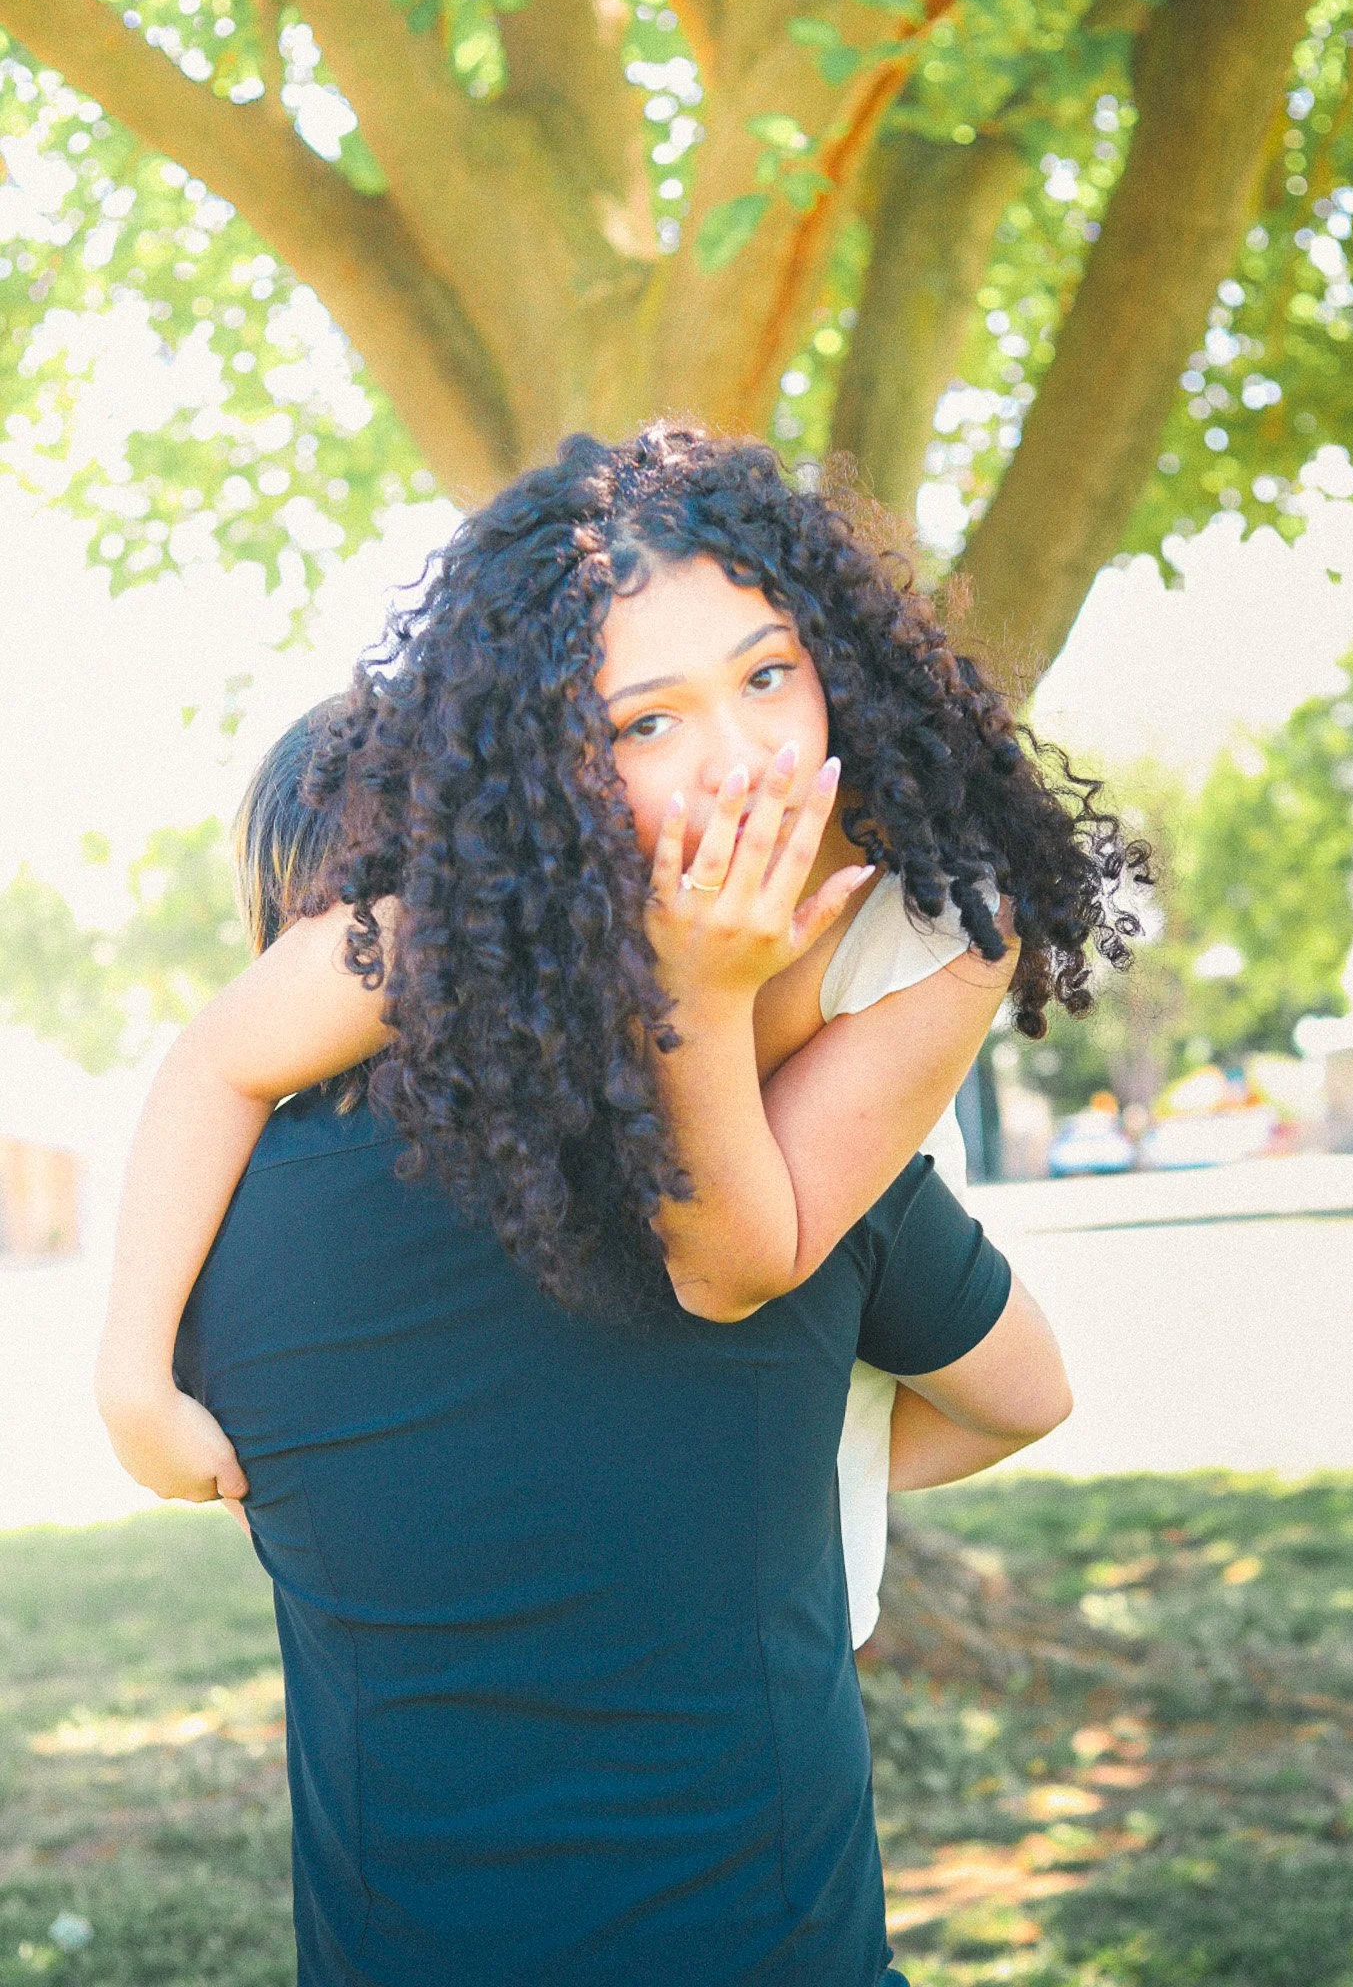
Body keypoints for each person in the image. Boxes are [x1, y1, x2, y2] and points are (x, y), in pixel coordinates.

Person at [98, 423, 1143, 1635]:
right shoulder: (506, 901)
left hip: (789, 1409)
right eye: (648, 722)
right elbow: (218, 1056)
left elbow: (739, 1267)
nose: (739, 758)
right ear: (570, 759)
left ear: (837, 660)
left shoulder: (947, 915)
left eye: (766, 675)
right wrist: (133, 1375)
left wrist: (701, 994)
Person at [171, 702, 1071, 1984]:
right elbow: (1022, 1396)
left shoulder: (206, 1242)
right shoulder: (767, 1152)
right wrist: (786, 1489)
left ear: (282, 928)